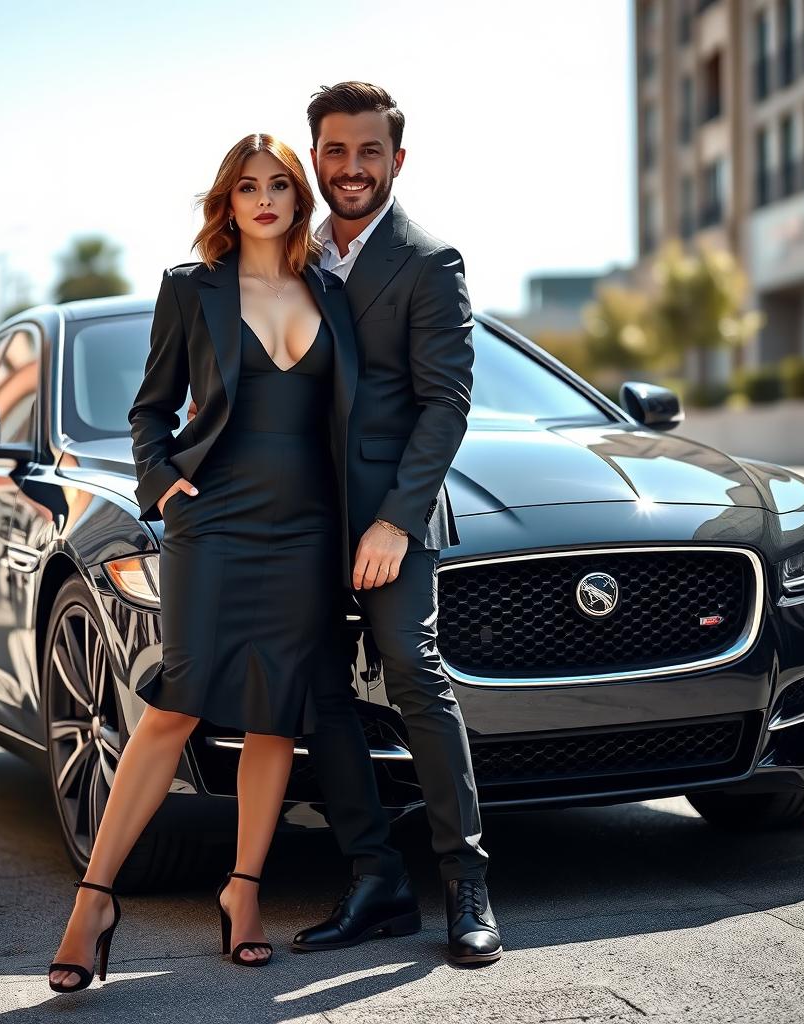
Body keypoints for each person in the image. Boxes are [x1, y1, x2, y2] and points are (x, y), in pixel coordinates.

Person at [48, 133, 358, 990]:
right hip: (212, 519)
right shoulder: (192, 289)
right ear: (226, 202)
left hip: (305, 528)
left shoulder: (331, 292)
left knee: (273, 713)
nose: (265, 198)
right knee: (176, 703)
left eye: (280, 185)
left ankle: (244, 892)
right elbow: (149, 410)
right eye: (247, 186)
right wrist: (163, 483)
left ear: (300, 199)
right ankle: (94, 899)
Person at [291, 82, 503, 966]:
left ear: (396, 160)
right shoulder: (292, 260)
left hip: (392, 515)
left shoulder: (428, 259)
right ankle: (376, 880)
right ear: (315, 158)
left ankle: (465, 882)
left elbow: (447, 402)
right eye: (335, 152)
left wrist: (394, 524)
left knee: (415, 669)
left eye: (368, 152)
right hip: (302, 516)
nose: (351, 169)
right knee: (316, 688)